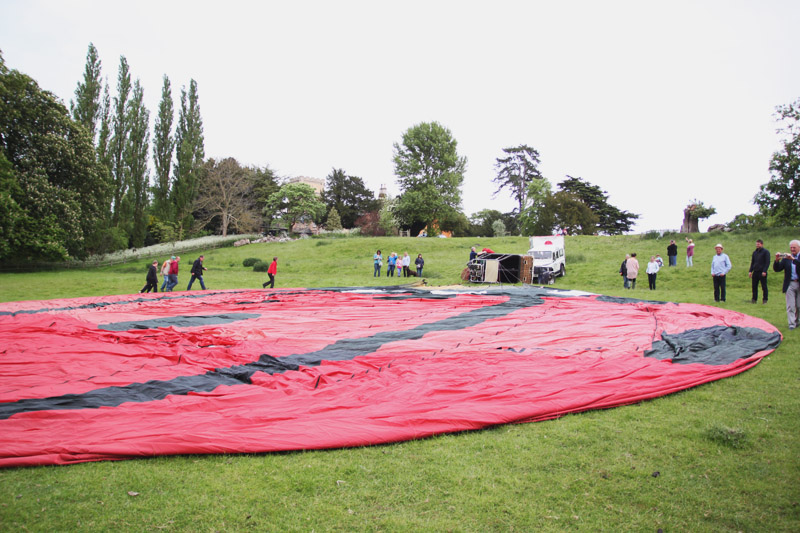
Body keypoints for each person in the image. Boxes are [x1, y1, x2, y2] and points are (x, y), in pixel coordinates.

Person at [773, 240, 800, 329]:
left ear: (799, 248)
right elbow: (777, 269)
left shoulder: (794, 258)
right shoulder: (786, 258)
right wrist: (777, 260)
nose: (792, 249)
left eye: (794, 247)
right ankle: (791, 324)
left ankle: (797, 321)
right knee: (791, 305)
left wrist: (793, 259)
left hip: (799, 283)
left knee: (798, 305)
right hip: (790, 283)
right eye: (791, 247)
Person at [748, 239, 770, 303]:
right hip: (755, 271)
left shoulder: (766, 252)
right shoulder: (755, 253)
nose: (757, 245)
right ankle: (754, 299)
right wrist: (750, 271)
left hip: (762, 272)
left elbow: (767, 262)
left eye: (758, 244)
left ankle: (765, 299)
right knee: (754, 286)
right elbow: (752, 262)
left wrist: (764, 271)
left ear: (762, 244)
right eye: (756, 244)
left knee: (764, 286)